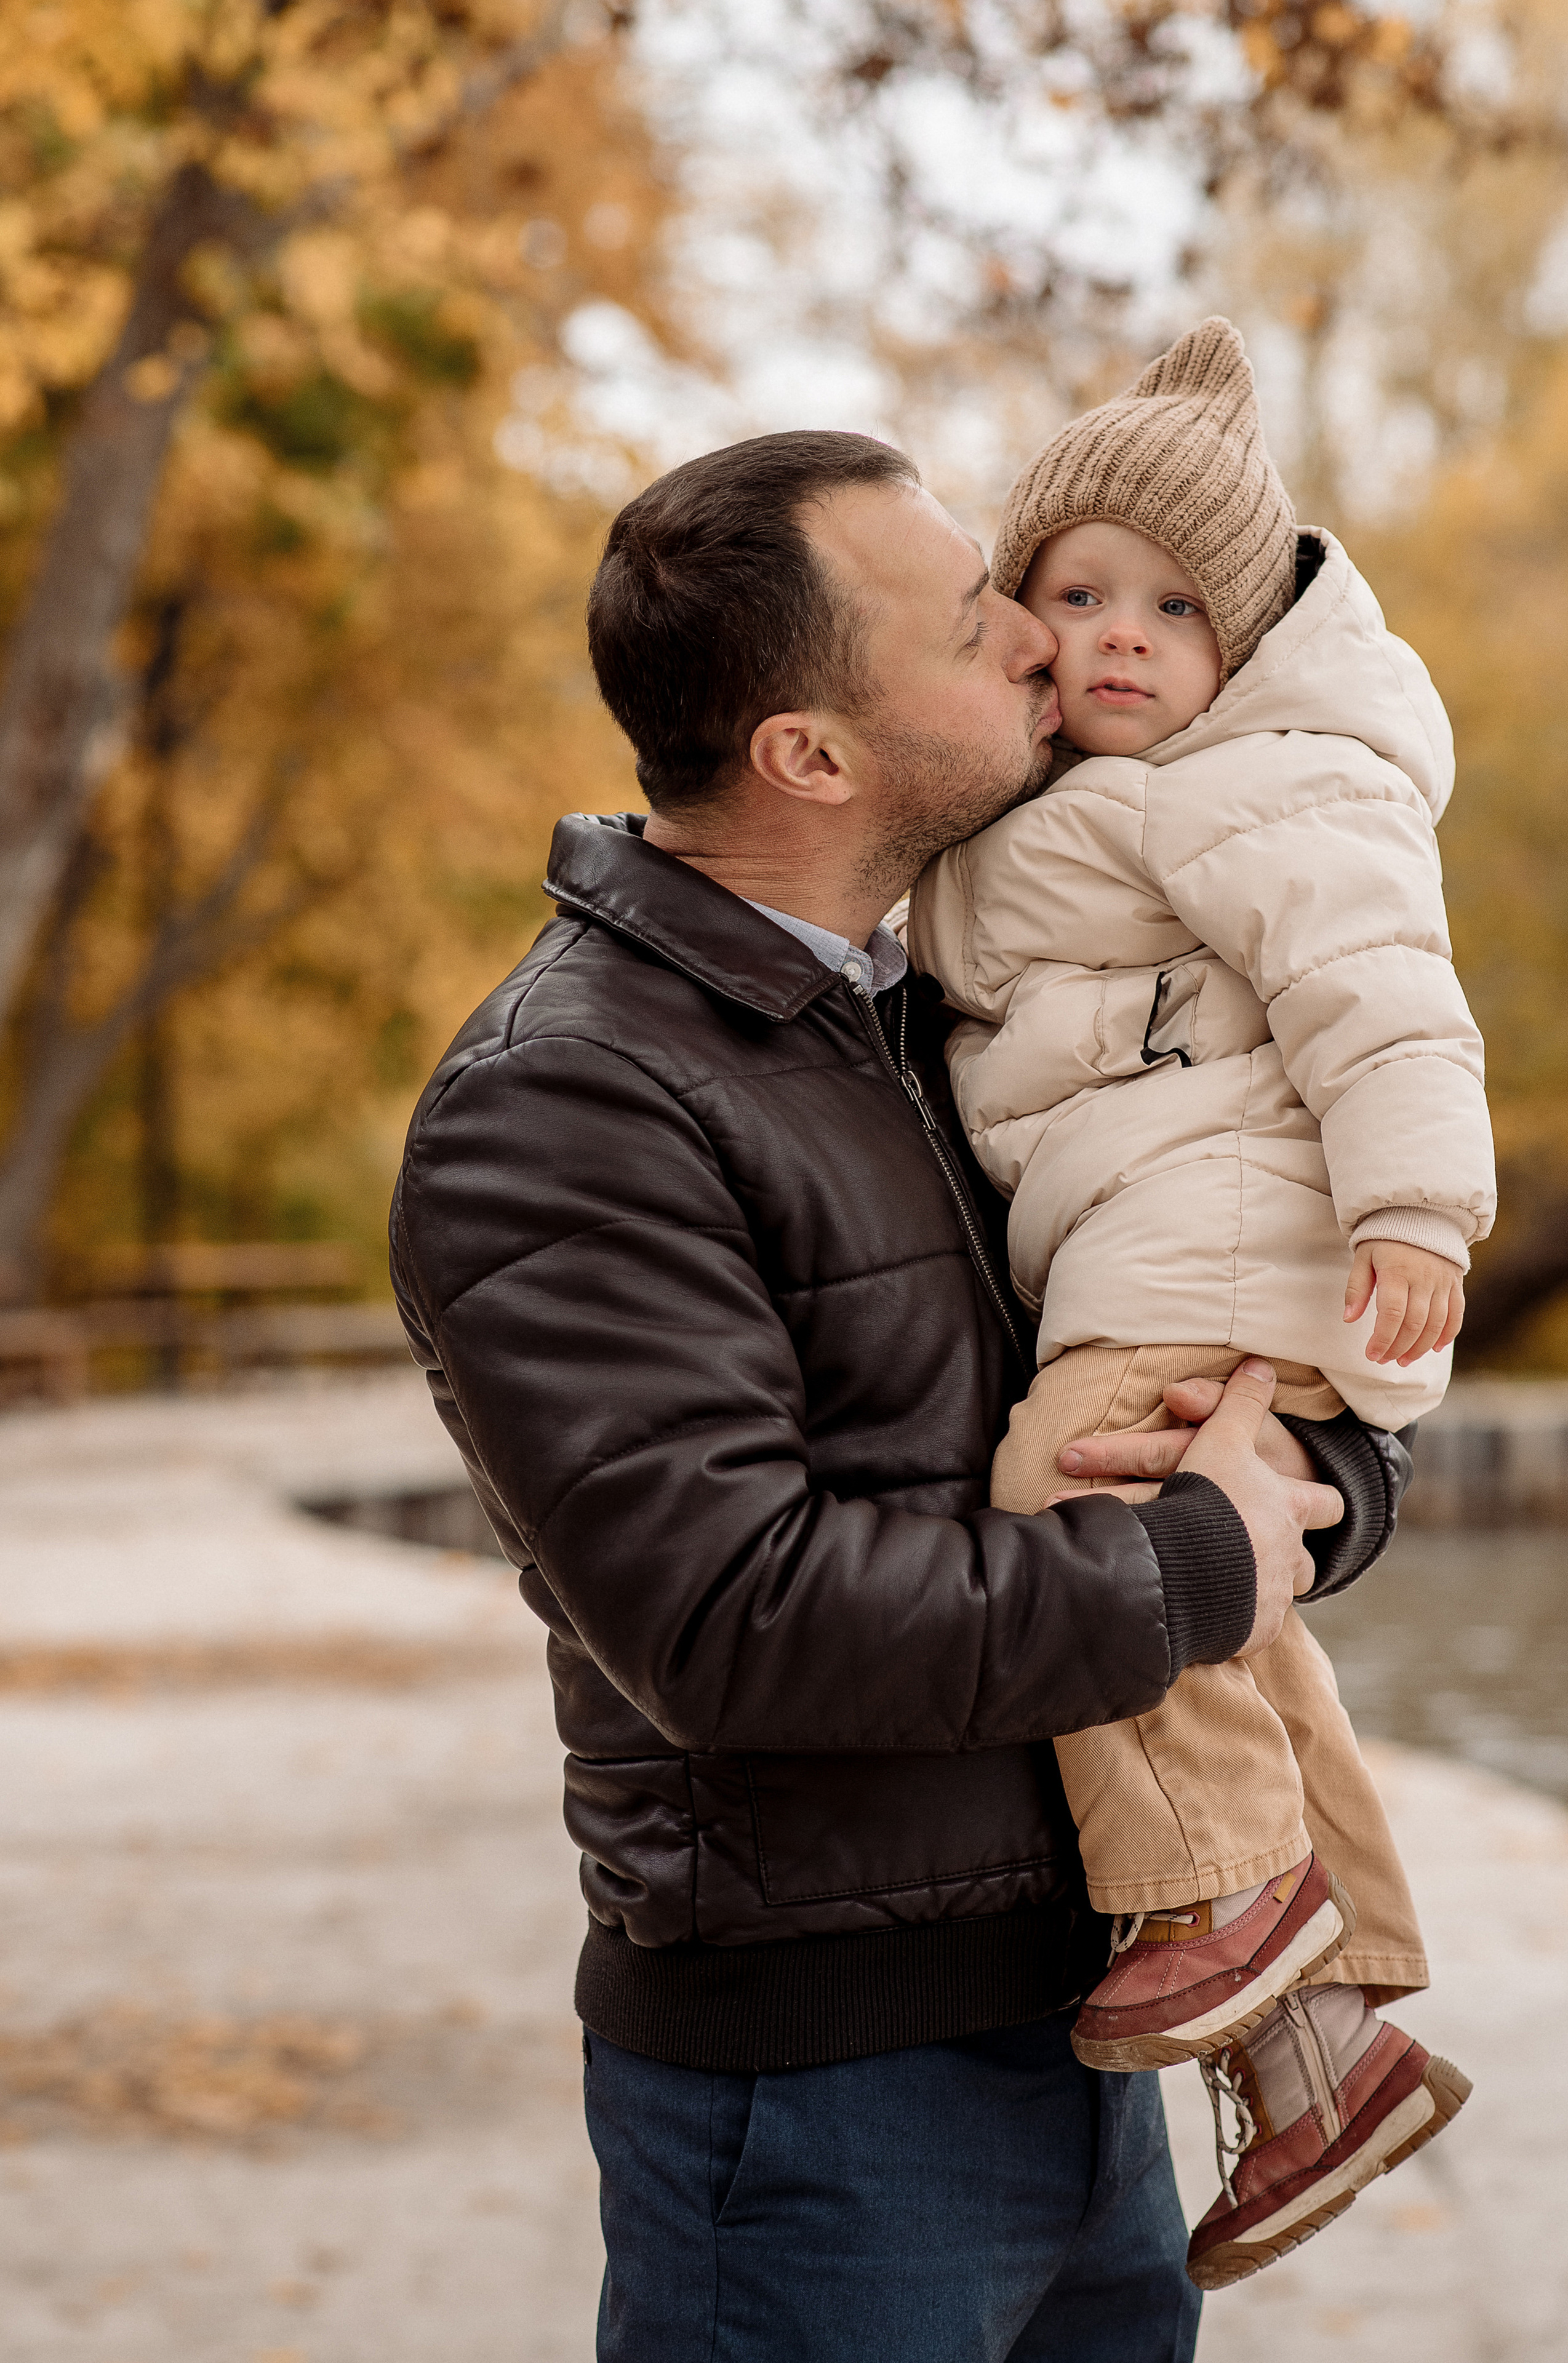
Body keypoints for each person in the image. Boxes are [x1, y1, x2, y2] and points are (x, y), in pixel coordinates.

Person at [390, 428, 1412, 2362]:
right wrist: (1201, 1563)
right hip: (824, 2109)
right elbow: (734, 1622)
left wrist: (1326, 1482)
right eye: (974, 624)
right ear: (813, 755)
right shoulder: (564, 1104)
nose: (1045, 637)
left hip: (1099, 2030)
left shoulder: (972, 1008)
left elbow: (1223, 1343)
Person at [906, 318, 1490, 2289]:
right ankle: (1333, 2044)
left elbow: (1383, 987)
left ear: (1243, 649)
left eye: (1177, 607)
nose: (1126, 636)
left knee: (1071, 1497)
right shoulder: (1057, 814)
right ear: (1017, 620)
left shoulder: (1260, 787)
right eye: (1079, 594)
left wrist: (1422, 1208)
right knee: (1219, 1615)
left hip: (1230, 1245)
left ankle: (1216, 1910)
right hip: (1186, 1246)